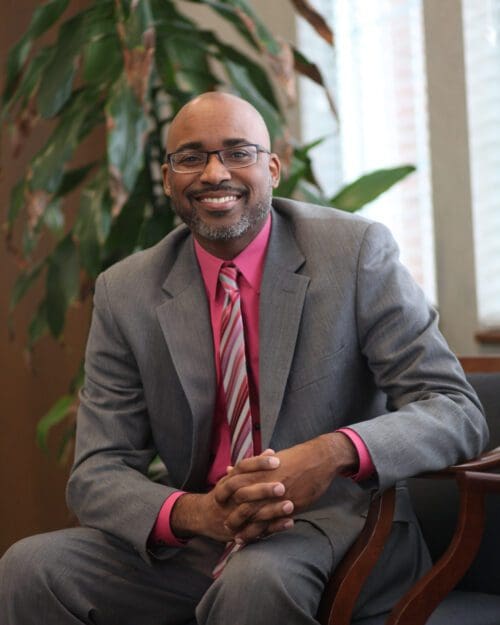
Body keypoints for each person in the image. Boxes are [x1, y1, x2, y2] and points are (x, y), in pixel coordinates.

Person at [0, 92, 488, 625]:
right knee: (29, 567)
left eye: (238, 152)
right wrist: (196, 513)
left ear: (273, 168)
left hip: (336, 525)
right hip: (199, 534)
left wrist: (330, 453)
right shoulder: (127, 291)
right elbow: (97, 468)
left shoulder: (354, 253)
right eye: (191, 157)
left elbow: (454, 409)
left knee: (255, 581)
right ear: (168, 179)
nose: (215, 173)